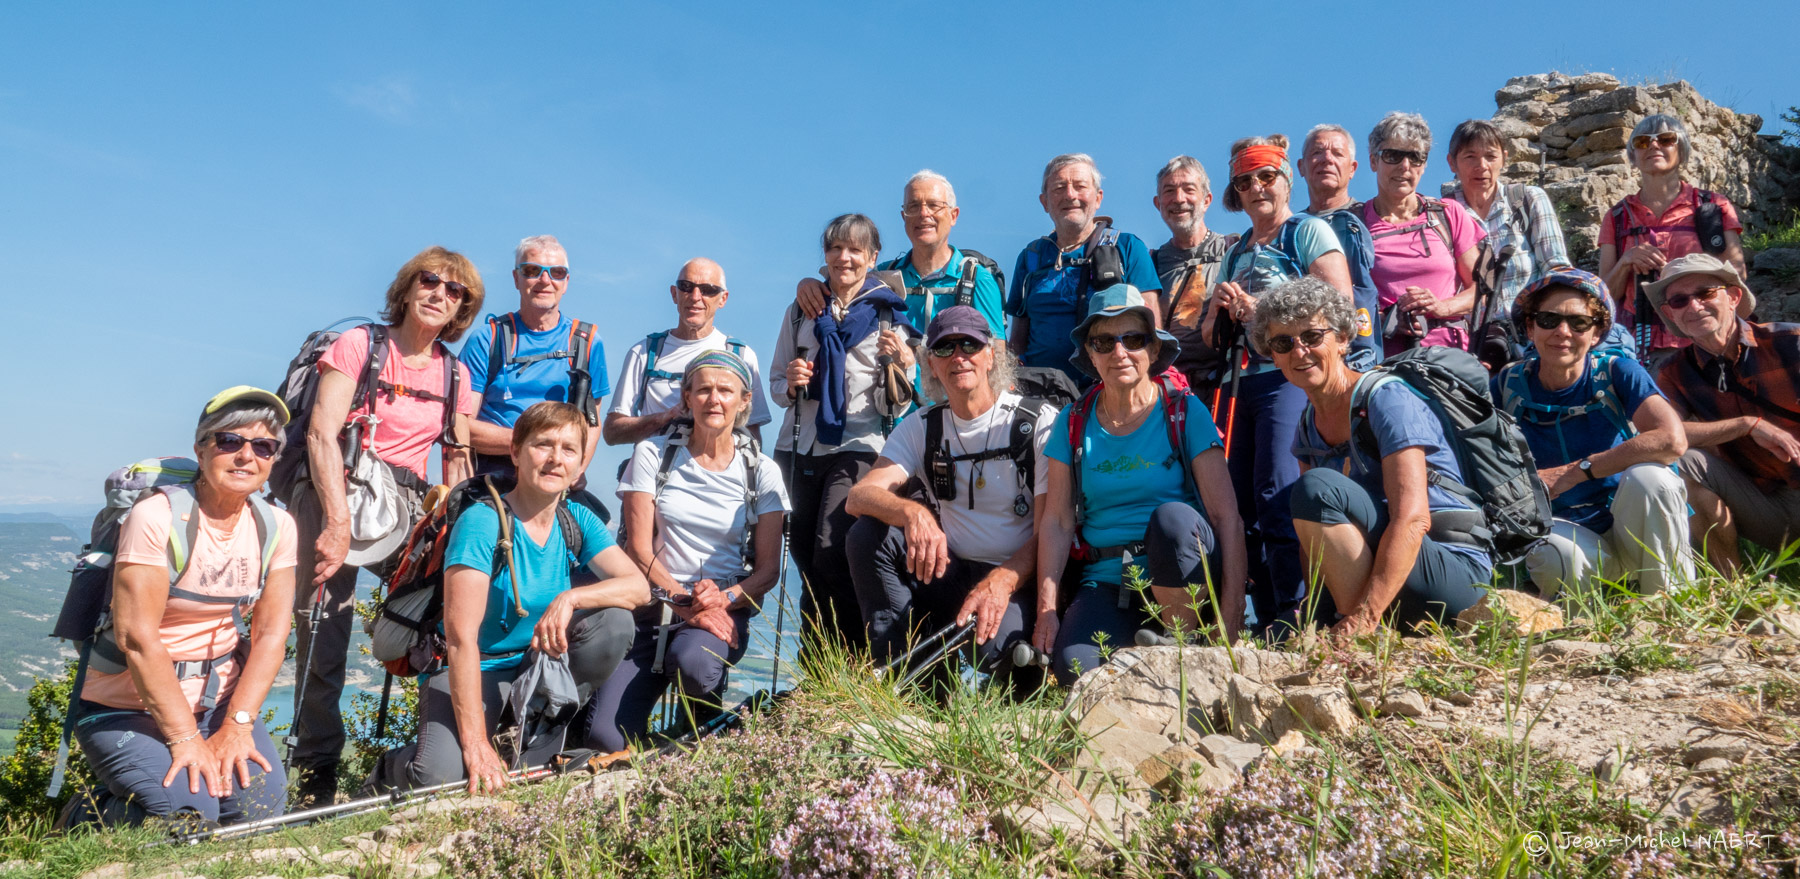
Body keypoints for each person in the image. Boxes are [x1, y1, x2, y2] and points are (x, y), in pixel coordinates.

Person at [292, 246, 481, 806]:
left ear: (462, 308)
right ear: (407, 287)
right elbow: (321, 434)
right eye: (430, 281)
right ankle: (316, 774)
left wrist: (458, 536)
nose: (440, 295)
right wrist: (335, 521)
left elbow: (456, 458)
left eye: (455, 291)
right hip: (333, 491)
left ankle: (431, 753)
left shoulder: (456, 373)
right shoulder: (361, 345)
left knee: (440, 616)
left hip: (404, 507)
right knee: (324, 630)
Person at [373, 402, 643, 793]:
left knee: (615, 621)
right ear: (515, 452)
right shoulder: (482, 522)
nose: (556, 459)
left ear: (579, 463)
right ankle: (390, 770)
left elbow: (637, 587)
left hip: (534, 666)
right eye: (543, 445)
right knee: (439, 779)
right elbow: (460, 638)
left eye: (569, 449)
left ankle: (535, 734)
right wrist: (475, 745)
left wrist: (570, 599)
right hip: (474, 666)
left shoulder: (576, 519)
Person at [71, 388, 297, 827]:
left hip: (216, 703)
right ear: (201, 448)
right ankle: (86, 818)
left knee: (259, 810)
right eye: (229, 441)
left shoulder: (276, 526)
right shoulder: (157, 517)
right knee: (188, 815)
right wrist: (185, 738)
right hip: (125, 707)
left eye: (263, 446)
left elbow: (272, 634)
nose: (246, 456)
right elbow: (138, 638)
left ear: (272, 460)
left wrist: (238, 726)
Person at [1034, 285, 1247, 684]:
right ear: (1091, 354)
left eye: (1132, 339)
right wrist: (1047, 611)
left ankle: (1181, 646)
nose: (1119, 352)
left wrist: (1231, 618)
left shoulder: (1184, 411)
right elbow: (1057, 521)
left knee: (1172, 521)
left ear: (1153, 348)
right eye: (1104, 342)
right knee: (1077, 671)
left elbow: (1227, 519)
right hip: (1108, 579)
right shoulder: (1072, 421)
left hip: (1185, 573)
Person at [1268, 277, 1492, 637]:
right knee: (1285, 633)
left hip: (1452, 572)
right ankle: (1350, 626)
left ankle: (1364, 635)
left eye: (1312, 336)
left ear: (1343, 339)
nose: (1299, 351)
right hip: (1385, 575)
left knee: (1317, 487)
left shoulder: (1387, 399)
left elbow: (1413, 519)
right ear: (1273, 355)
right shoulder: (1308, 422)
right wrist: (1313, 617)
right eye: (1283, 342)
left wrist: (1363, 619)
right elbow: (1315, 540)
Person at [845, 306, 1054, 686]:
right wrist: (913, 514)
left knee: (988, 649)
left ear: (991, 355)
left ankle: (1019, 686)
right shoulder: (922, 426)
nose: (958, 357)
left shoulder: (1036, 423)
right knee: (867, 535)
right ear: (931, 364)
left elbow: (1051, 531)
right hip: (951, 571)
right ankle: (907, 681)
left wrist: (1003, 580)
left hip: (1018, 578)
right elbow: (859, 496)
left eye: (969, 345)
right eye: (944, 348)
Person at [588, 352, 788, 749]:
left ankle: (702, 718)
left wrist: (722, 600)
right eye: (704, 390)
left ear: (744, 400)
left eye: (726, 391)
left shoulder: (762, 471)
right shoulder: (652, 454)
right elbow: (637, 549)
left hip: (722, 609)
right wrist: (684, 601)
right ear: (687, 398)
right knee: (605, 739)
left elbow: (768, 570)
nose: (714, 399)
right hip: (652, 606)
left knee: (695, 665)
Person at [1203, 134, 1352, 635]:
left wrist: (1262, 310)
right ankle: (1267, 614)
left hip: (1288, 379)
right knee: (1241, 500)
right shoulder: (1235, 251)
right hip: (1238, 383)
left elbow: (1339, 304)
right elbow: (1210, 334)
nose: (1256, 188)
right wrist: (1220, 309)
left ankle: (1297, 609)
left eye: (1266, 176)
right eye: (1245, 182)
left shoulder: (1307, 231)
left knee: (1277, 488)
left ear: (1286, 180)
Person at [1493, 268, 1692, 597]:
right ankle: (1588, 618)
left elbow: (1672, 439)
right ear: (1530, 328)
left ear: (1597, 333)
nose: (1562, 332)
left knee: (1653, 478)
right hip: (1567, 533)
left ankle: (1669, 603)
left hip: (1629, 522)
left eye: (1579, 323)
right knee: (1551, 554)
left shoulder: (1618, 372)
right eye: (1548, 319)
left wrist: (1575, 472)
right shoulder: (1506, 385)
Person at [770, 214, 919, 647]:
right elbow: (777, 384)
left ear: (873, 258)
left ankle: (850, 654)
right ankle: (818, 662)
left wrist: (900, 365)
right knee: (802, 555)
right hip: (799, 445)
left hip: (859, 446)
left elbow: (896, 404)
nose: (844, 257)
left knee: (831, 549)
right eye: (835, 248)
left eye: (855, 249)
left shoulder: (889, 315)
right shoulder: (801, 310)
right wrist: (791, 383)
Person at [1648, 255, 1800, 576]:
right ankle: (1732, 586)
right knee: (1678, 461)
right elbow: (1660, 435)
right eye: (1679, 300)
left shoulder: (1791, 343)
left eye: (1705, 293)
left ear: (1733, 297)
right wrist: (1745, 426)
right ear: (1670, 313)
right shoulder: (1675, 372)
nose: (1694, 306)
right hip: (1768, 506)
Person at [792, 171, 1007, 351]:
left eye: (934, 205)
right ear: (904, 217)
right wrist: (809, 285)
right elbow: (842, 286)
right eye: (913, 206)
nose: (923, 214)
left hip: (951, 390)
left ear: (953, 215)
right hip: (892, 390)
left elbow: (995, 356)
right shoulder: (882, 277)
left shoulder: (977, 280)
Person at [1599, 114, 1751, 362]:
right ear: (1633, 156)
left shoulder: (1713, 206)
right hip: (1636, 346)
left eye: (1666, 139)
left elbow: (1737, 275)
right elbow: (1603, 295)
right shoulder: (1617, 217)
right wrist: (1626, 261)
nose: (1654, 145)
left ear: (1682, 151)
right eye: (1642, 142)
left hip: (1705, 341)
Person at [460, 235, 610, 482]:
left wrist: (576, 470)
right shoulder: (487, 339)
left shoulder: (587, 342)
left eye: (557, 273)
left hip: (556, 472)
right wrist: (533, 443)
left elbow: (592, 422)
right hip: (494, 474)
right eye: (532, 270)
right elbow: (461, 424)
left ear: (566, 282)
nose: (545, 280)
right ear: (516, 278)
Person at [1007, 154, 1163, 385]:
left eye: (1080, 186)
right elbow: (1017, 342)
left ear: (1098, 198)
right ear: (1044, 202)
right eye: (1059, 188)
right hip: (1041, 391)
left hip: (1111, 389)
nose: (1070, 195)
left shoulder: (1128, 247)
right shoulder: (1031, 257)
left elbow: (1153, 329)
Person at [1443, 119, 1576, 363]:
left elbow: (1556, 267)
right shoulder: (1442, 216)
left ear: (1504, 159)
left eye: (1490, 156)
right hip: (1469, 346)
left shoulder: (1528, 200)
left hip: (1533, 342)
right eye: (1470, 157)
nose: (1482, 166)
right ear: (1452, 162)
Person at [604, 258, 771, 448]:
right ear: (674, 294)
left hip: (716, 467)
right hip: (653, 466)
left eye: (707, 289)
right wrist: (666, 418)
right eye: (686, 287)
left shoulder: (740, 357)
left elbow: (752, 437)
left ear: (723, 299)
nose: (695, 296)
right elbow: (612, 432)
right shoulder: (644, 353)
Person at [1361, 112, 1486, 356]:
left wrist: (1441, 307)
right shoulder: (1356, 225)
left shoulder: (1449, 214)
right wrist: (1385, 319)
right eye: (1393, 155)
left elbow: (1480, 291)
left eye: (1416, 157)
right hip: (1380, 360)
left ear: (1424, 165)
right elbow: (1343, 300)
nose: (1405, 166)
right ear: (1373, 161)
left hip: (1449, 357)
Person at [1150, 155, 1235, 392]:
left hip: (1224, 383)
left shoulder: (1232, 250)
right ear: (1158, 203)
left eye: (1189, 189)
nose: (1179, 199)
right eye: (1169, 191)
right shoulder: (1151, 262)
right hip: (1169, 388)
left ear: (1207, 200)